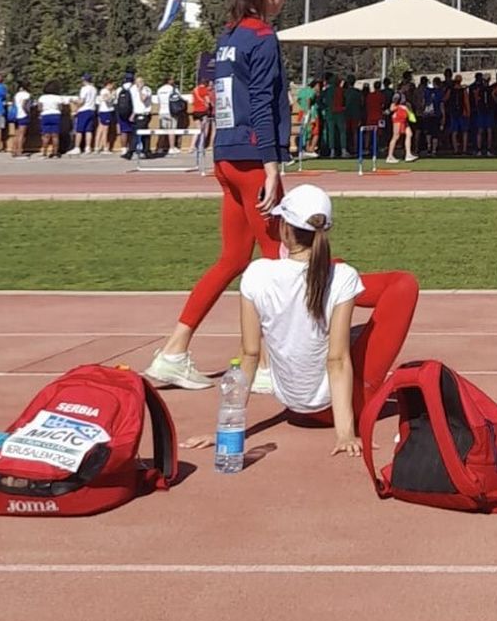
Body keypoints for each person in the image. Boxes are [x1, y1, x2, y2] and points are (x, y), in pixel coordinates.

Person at [179, 184, 421, 455]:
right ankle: (329, 291)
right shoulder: (342, 276)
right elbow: (337, 360)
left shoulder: (256, 274)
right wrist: (345, 434)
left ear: (284, 228)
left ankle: (325, 292)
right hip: (339, 406)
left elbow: (248, 355)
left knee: (341, 294)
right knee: (404, 285)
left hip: (294, 404)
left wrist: (224, 430)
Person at [145, 0, 290, 391]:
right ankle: (264, 366)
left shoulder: (228, 36)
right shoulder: (262, 38)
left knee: (232, 260)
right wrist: (271, 165)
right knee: (278, 263)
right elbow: (263, 102)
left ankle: (174, 350)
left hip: (226, 155)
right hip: (250, 158)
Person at [37, 82, 67, 158]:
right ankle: (55, 153)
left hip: (45, 115)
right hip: (55, 115)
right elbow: (61, 108)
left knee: (46, 135)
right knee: (55, 135)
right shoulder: (58, 97)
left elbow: (39, 108)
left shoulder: (42, 97)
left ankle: (44, 153)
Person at [74, 74, 99, 156]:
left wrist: (75, 103)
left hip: (84, 109)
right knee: (89, 130)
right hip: (92, 109)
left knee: (79, 130)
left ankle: (77, 147)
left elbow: (81, 101)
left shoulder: (84, 89)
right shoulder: (94, 89)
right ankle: (88, 147)